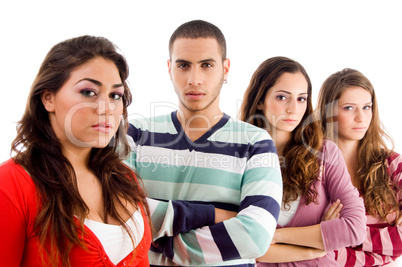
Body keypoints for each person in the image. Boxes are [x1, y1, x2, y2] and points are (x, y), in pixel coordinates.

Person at [124, 20, 283, 266]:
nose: (194, 79)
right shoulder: (134, 133)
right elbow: (118, 211)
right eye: (183, 65)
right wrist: (212, 215)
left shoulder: (256, 142)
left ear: (225, 69)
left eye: (207, 65)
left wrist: (162, 244)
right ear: (169, 68)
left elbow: (256, 236)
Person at [0, 35, 152, 266]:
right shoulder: (11, 185)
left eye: (115, 95)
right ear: (48, 98)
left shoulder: (126, 179)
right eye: (89, 92)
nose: (107, 109)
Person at [239, 56, 367, 266]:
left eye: (301, 99)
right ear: (260, 100)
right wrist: (316, 244)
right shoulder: (238, 157)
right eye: (282, 97)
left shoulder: (325, 153)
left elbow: (354, 229)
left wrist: (277, 238)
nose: (293, 109)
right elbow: (241, 245)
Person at [316, 68, 402, 266]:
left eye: (366, 107)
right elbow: (307, 245)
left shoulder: (393, 164)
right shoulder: (311, 169)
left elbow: (321, 245)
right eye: (349, 108)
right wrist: (385, 246)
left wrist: (336, 233)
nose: (361, 117)